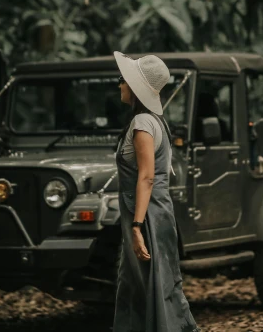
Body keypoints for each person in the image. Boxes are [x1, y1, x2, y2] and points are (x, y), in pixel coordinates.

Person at [112, 51, 199, 332]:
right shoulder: (155, 121)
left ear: (136, 88)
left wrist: (137, 226)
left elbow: (147, 177)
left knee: (151, 284)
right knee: (150, 282)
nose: (120, 85)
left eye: (123, 80)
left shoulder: (142, 123)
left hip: (146, 213)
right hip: (156, 210)